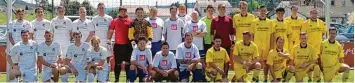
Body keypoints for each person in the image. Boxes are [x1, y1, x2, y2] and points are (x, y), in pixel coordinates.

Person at [107, 6, 133, 82]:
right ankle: (116, 79)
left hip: (128, 45)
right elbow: (111, 31)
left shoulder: (130, 20)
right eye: (121, 11)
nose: (123, 12)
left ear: (126, 12)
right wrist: (108, 40)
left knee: (127, 63)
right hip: (118, 45)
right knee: (118, 63)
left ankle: (127, 79)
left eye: (124, 11)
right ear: (119, 12)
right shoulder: (115, 20)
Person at [50, 6, 73, 82]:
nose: (61, 12)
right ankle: (54, 78)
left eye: (62, 11)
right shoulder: (53, 21)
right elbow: (51, 33)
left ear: (64, 11)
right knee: (56, 62)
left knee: (65, 62)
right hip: (56, 45)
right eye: (59, 11)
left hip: (66, 44)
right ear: (57, 11)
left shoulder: (68, 21)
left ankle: (64, 79)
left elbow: (71, 33)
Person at [251, 6, 273, 82]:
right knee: (257, 63)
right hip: (257, 46)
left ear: (266, 11)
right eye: (261, 11)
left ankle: (265, 78)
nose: (263, 12)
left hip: (267, 46)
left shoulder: (270, 22)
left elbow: (272, 35)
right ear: (259, 11)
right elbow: (252, 35)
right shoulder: (254, 22)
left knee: (266, 63)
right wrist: (252, 46)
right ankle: (256, 78)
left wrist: (272, 46)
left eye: (264, 11)